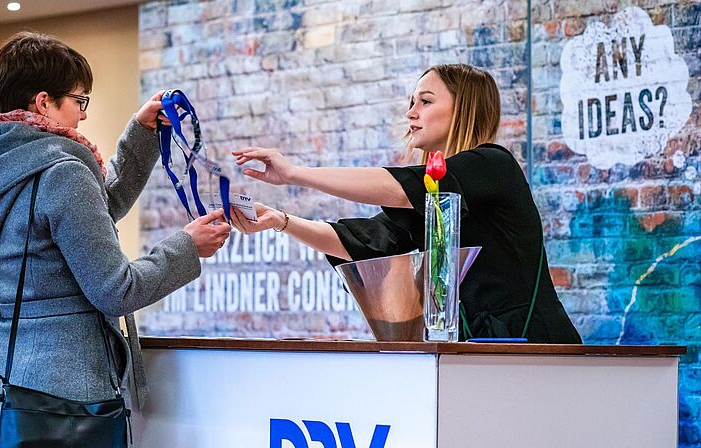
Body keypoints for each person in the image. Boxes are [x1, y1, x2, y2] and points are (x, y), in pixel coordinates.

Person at [0, 32, 231, 448]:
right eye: (78, 100)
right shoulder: (62, 171)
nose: (84, 112)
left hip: (1, 414)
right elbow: (117, 289)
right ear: (44, 102)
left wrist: (140, 135)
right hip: (65, 420)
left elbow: (91, 212)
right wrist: (187, 248)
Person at [230, 63, 581, 344]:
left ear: (464, 109)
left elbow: (399, 187)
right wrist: (281, 220)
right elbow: (367, 241)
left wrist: (294, 173)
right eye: (411, 103)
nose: (411, 113)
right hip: (479, 351)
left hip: (536, 347)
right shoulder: (428, 192)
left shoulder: (491, 164)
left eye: (425, 102)